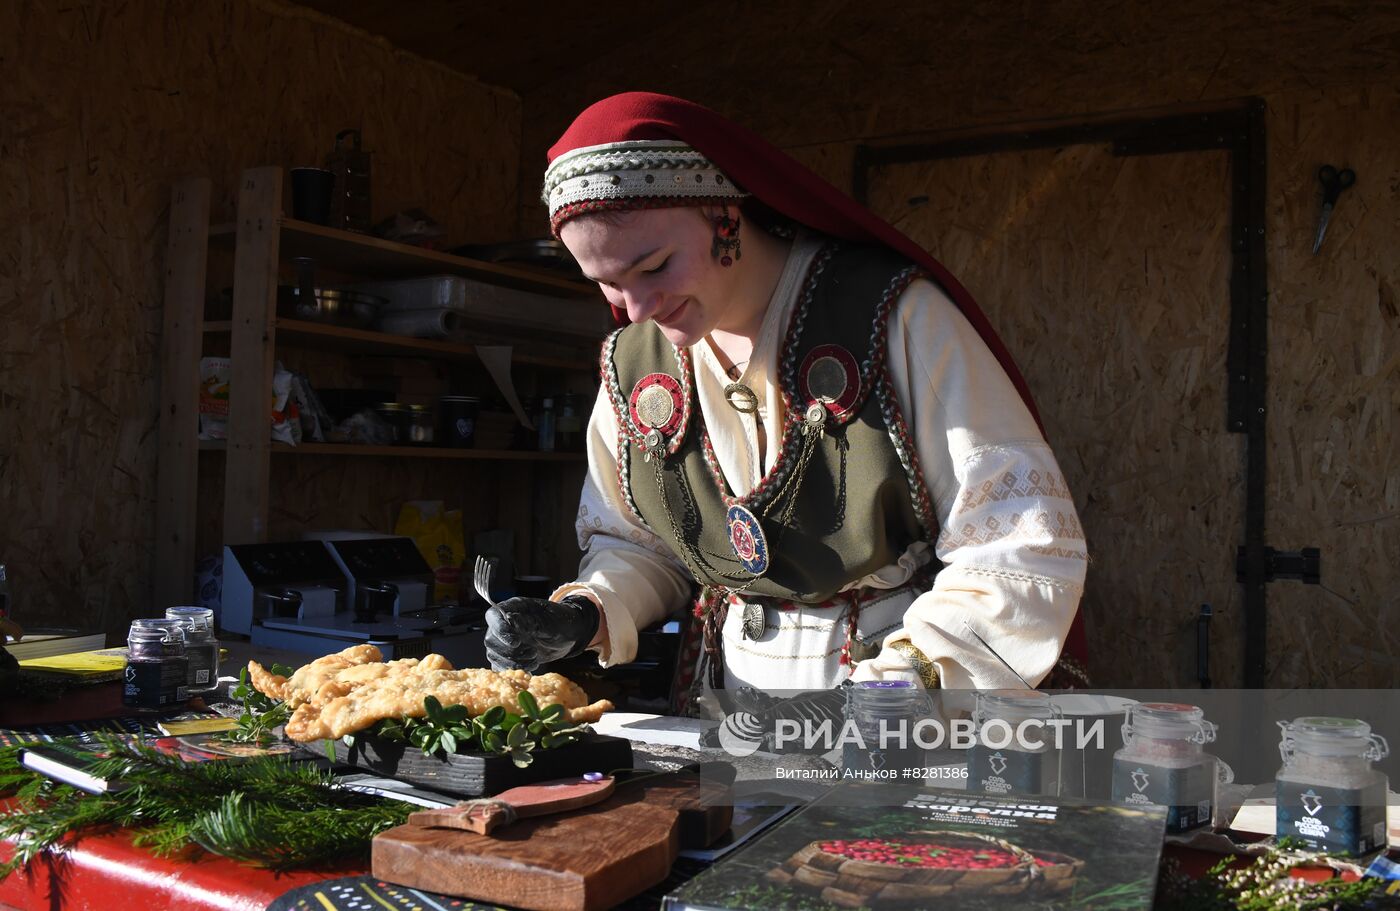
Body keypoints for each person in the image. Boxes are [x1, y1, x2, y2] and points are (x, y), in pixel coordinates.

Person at [485, 92, 1088, 714]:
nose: (636, 309)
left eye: (656, 266)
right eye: (607, 283)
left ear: (723, 213)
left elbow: (1020, 549)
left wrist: (900, 685)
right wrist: (587, 610)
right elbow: (640, 542)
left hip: (893, 704)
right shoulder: (635, 362)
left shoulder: (891, 317)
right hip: (729, 710)